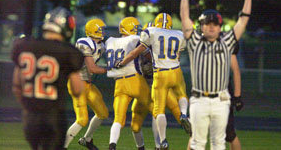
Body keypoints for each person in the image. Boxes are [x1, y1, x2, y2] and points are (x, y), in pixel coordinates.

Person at [180, 0, 252, 149]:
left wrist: (248, 0)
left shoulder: (227, 42)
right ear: (201, 26)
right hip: (199, 98)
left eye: (214, 24)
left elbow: (242, 20)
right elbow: (184, 18)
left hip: (221, 99)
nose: (211, 27)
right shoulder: (195, 41)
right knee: (197, 142)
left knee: (218, 143)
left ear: (220, 27)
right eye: (207, 23)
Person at [11, 7, 85, 150]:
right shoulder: (69, 52)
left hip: (30, 117)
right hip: (53, 116)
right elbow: (77, 90)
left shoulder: (24, 45)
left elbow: (16, 87)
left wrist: (28, 107)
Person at [117, 13, 191, 149]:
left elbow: (139, 55)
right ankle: (184, 125)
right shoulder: (167, 39)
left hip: (152, 85)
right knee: (137, 123)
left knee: (159, 113)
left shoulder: (148, 45)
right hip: (148, 88)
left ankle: (161, 143)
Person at [105, 17, 154, 150]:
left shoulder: (110, 41)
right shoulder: (134, 40)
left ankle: (112, 145)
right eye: (135, 28)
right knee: (156, 110)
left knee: (118, 119)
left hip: (119, 82)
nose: (137, 30)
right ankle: (160, 144)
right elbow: (150, 56)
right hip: (135, 80)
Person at [186, 44, 244, 150]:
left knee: (229, 133)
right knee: (196, 132)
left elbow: (235, 70)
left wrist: (237, 95)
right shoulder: (199, 43)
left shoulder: (226, 44)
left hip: (221, 94)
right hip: (202, 92)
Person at [64, 18, 109, 150]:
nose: (103, 32)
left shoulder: (101, 45)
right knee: (82, 119)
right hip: (77, 83)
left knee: (103, 113)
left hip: (89, 84)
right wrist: (112, 70)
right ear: (93, 30)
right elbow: (92, 68)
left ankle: (86, 139)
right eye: (101, 29)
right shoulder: (84, 42)